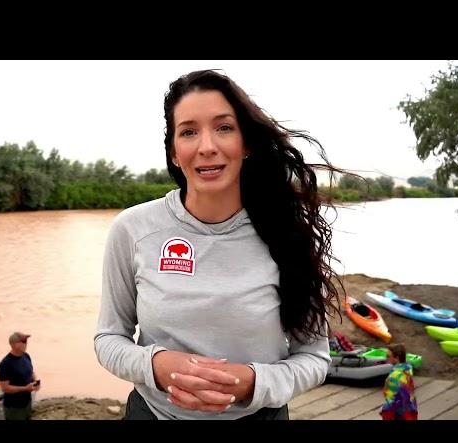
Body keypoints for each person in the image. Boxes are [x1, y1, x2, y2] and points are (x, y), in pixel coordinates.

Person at [94, 69, 344, 419]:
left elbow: (314, 358)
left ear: (247, 145)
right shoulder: (132, 229)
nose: (207, 147)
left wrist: (251, 383)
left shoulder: (287, 232)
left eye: (224, 127)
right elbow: (108, 339)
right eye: (189, 132)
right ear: (174, 153)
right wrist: (157, 365)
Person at [0, 331, 40, 420]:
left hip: (27, 403)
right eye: (23, 341)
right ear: (14, 344)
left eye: (26, 341)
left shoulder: (26, 356)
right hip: (14, 407)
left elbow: (31, 372)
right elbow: (5, 388)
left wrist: (36, 382)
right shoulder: (6, 363)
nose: (26, 344)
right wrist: (25, 388)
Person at [380, 343, 418, 420]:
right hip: (409, 408)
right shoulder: (407, 371)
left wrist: (386, 410)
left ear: (397, 358)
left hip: (398, 412)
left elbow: (392, 397)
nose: (386, 358)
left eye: (388, 356)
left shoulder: (395, 376)